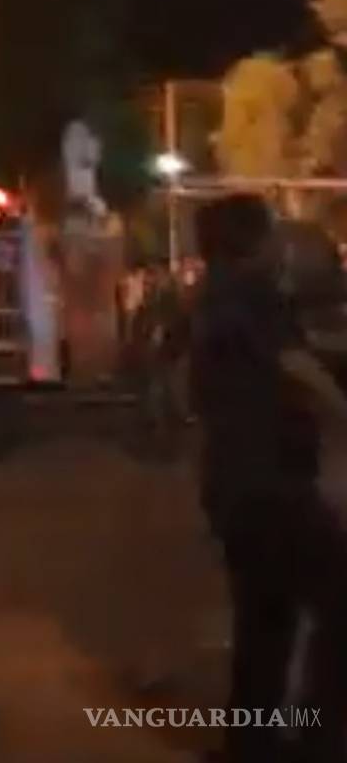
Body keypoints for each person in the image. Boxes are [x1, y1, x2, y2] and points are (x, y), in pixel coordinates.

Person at [190, 194, 347, 761]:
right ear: (252, 243)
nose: (281, 244)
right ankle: (321, 735)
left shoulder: (211, 297)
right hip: (271, 486)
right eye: (273, 233)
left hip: (235, 488)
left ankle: (251, 744)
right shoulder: (253, 296)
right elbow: (295, 365)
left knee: (265, 619)